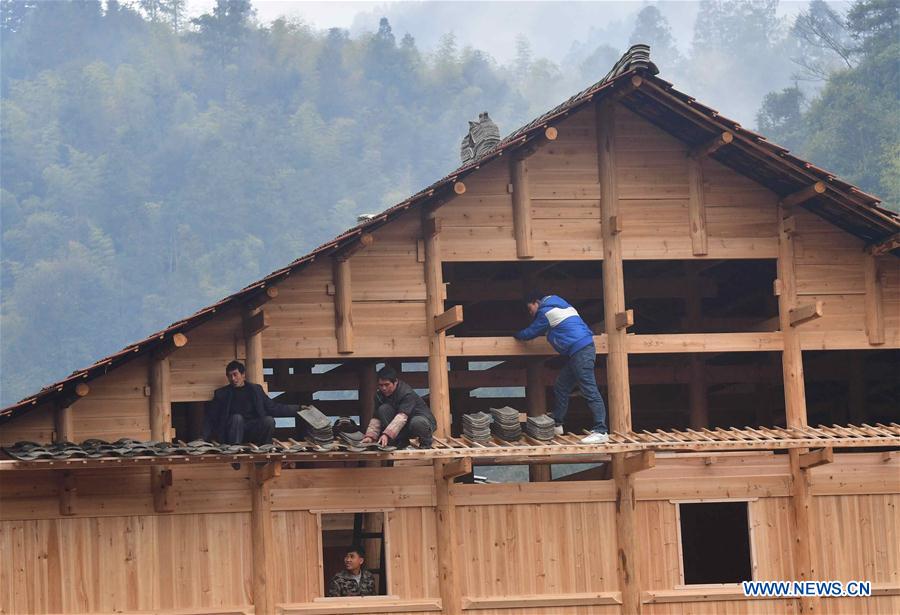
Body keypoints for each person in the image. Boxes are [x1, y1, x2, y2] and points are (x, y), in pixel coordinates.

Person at [514, 292, 609, 444]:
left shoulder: (546, 312)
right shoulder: (558, 304)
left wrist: (515, 334)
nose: (530, 313)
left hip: (581, 351)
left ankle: (601, 431)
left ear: (536, 302)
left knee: (589, 389)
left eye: (530, 308)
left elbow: (530, 332)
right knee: (561, 385)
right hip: (580, 351)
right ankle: (557, 423)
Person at [202, 360, 298, 444]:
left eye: (235, 374)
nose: (233, 378)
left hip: (253, 429)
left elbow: (273, 407)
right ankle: (236, 451)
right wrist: (203, 438)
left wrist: (298, 408)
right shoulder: (222, 394)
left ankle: (264, 449)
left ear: (243, 374)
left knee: (269, 420)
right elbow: (211, 417)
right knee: (237, 418)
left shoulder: (256, 390)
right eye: (230, 376)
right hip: (233, 432)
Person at [361, 366, 436, 449]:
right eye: (381, 385)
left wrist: (386, 435)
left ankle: (426, 444)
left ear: (395, 382)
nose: (384, 388)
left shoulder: (407, 393)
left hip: (422, 423)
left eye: (387, 385)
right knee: (383, 409)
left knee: (417, 422)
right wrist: (370, 436)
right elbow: (376, 418)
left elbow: (401, 418)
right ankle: (399, 443)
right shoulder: (379, 396)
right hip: (403, 426)